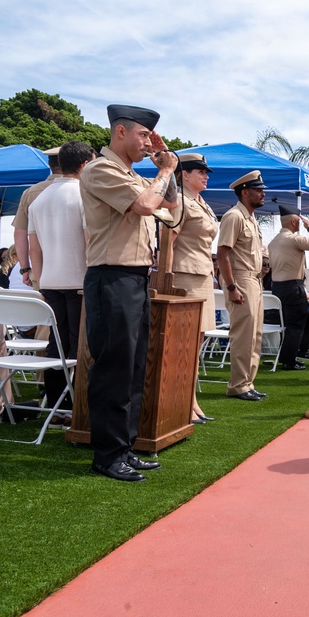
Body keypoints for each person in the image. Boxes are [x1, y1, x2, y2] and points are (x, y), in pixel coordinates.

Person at [79, 104, 179, 482]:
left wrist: (164, 168)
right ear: (120, 132)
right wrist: (165, 170)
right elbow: (144, 206)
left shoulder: (133, 174)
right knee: (114, 368)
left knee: (135, 366)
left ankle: (124, 447)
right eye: (142, 135)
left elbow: (168, 203)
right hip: (111, 277)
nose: (147, 143)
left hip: (135, 277)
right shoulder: (101, 170)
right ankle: (107, 455)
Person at [27, 140, 94, 419]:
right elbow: (91, 243)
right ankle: (78, 409)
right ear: (85, 165)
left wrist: (40, 283)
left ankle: (56, 406)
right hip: (80, 282)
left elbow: (34, 249)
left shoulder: (38, 198)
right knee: (81, 348)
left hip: (50, 283)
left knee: (56, 347)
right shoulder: (83, 194)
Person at [169, 153, 219, 423]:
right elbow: (169, 239)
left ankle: (192, 401)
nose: (206, 175)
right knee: (183, 344)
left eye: (205, 171)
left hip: (202, 276)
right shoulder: (179, 200)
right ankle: (183, 403)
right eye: (200, 171)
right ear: (184, 174)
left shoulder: (202, 203)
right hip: (185, 275)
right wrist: (165, 277)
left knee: (196, 343)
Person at [216, 171, 268, 402]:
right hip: (241, 279)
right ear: (245, 192)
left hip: (255, 279)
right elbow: (223, 253)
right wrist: (231, 287)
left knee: (255, 336)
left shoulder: (250, 217)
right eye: (258, 190)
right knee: (243, 335)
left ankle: (247, 382)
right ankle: (237, 384)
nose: (263, 193)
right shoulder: (234, 216)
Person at [268, 204, 309, 371]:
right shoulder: (295, 239)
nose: (300, 224)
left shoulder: (273, 242)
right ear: (293, 221)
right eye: (298, 221)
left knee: (290, 324)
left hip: (277, 287)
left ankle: (288, 356)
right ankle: (289, 360)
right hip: (293, 286)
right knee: (295, 326)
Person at [12, 148, 61, 289]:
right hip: (75, 272)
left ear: (50, 165)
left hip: (40, 271)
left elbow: (19, 235)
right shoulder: (81, 189)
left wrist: (25, 269)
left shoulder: (30, 192)